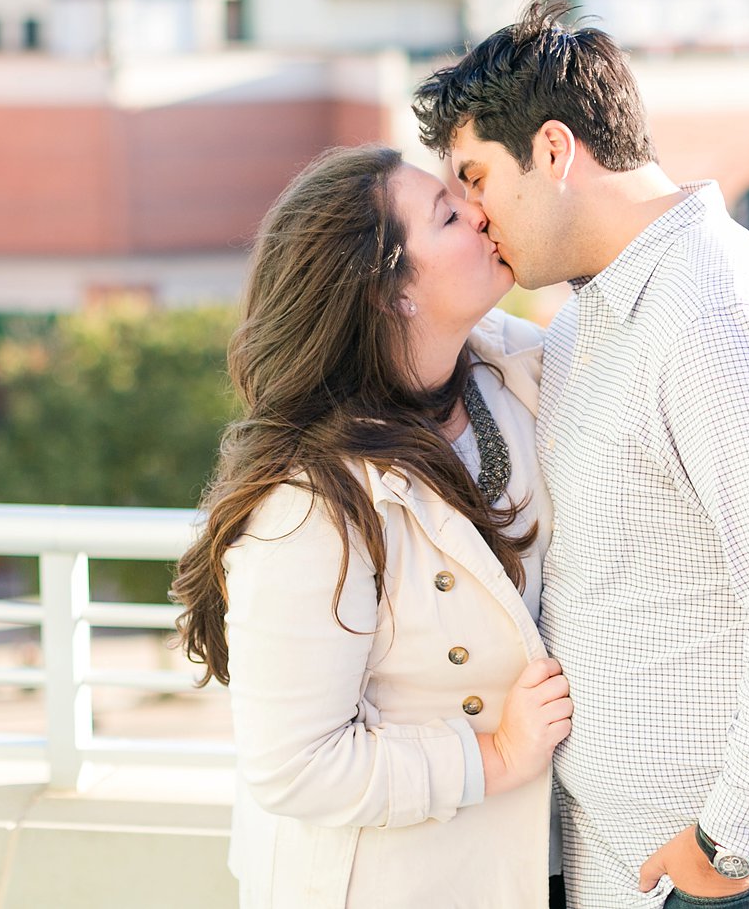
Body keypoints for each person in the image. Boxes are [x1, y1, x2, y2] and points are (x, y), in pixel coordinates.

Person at [414, 1, 749, 909]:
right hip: (653, 881)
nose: (473, 213)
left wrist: (725, 844)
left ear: (553, 149)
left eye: (475, 177)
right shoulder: (587, 327)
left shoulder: (720, 314)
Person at [173, 144, 570, 909]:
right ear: (392, 293)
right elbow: (294, 764)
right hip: (390, 880)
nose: (481, 212)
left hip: (531, 861)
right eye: (449, 215)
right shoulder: (306, 499)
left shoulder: (513, 368)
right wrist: (495, 752)